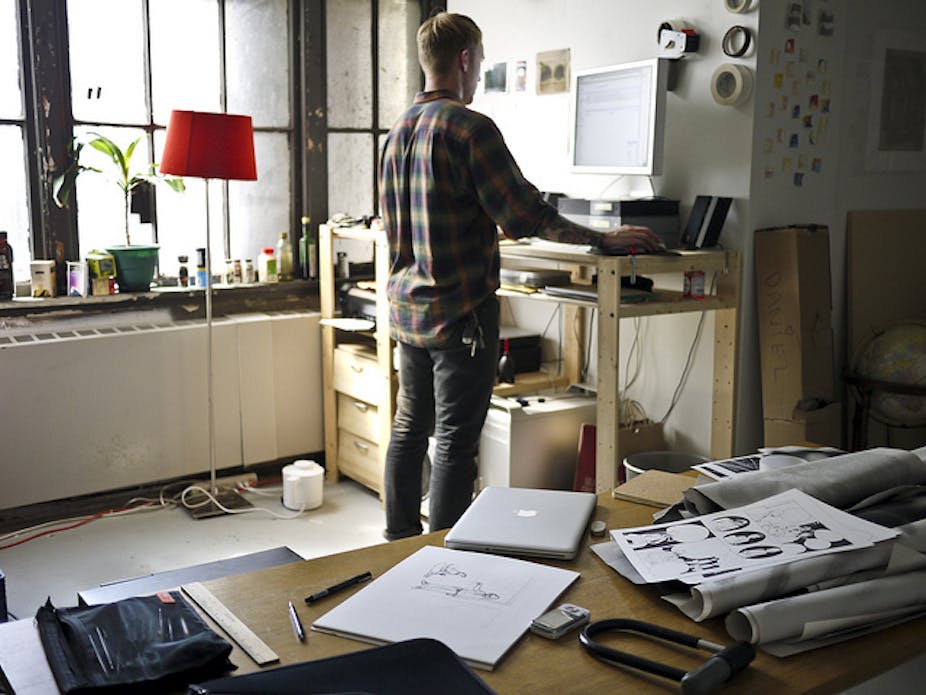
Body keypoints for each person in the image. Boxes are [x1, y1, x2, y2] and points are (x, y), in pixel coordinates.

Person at [378, 11, 661, 540]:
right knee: (456, 442)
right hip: (460, 316)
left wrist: (483, 225)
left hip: (409, 312)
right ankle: (443, 554)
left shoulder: (397, 133)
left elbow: (423, 217)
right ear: (464, 59)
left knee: (408, 430)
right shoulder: (470, 128)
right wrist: (604, 238)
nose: (480, 71)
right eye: (480, 60)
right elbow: (526, 214)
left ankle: (398, 543)